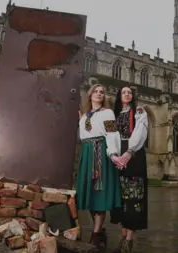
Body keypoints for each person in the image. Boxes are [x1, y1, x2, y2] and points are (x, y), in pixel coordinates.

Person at [76, 84, 122, 248]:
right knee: (87, 191)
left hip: (100, 152)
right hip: (87, 152)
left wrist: (113, 154)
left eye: (102, 92)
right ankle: (100, 229)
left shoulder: (108, 113)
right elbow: (83, 134)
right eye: (96, 91)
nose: (99, 94)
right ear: (90, 95)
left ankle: (96, 234)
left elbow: (112, 133)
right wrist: (81, 119)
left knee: (99, 192)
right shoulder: (84, 116)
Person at [110, 86, 149, 253]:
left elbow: (140, 131)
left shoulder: (139, 111)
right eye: (124, 92)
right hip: (118, 154)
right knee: (121, 197)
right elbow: (110, 135)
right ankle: (122, 235)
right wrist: (114, 155)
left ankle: (129, 241)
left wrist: (129, 152)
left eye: (130, 92)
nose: (127, 94)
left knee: (134, 195)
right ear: (119, 95)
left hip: (134, 154)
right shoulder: (113, 116)